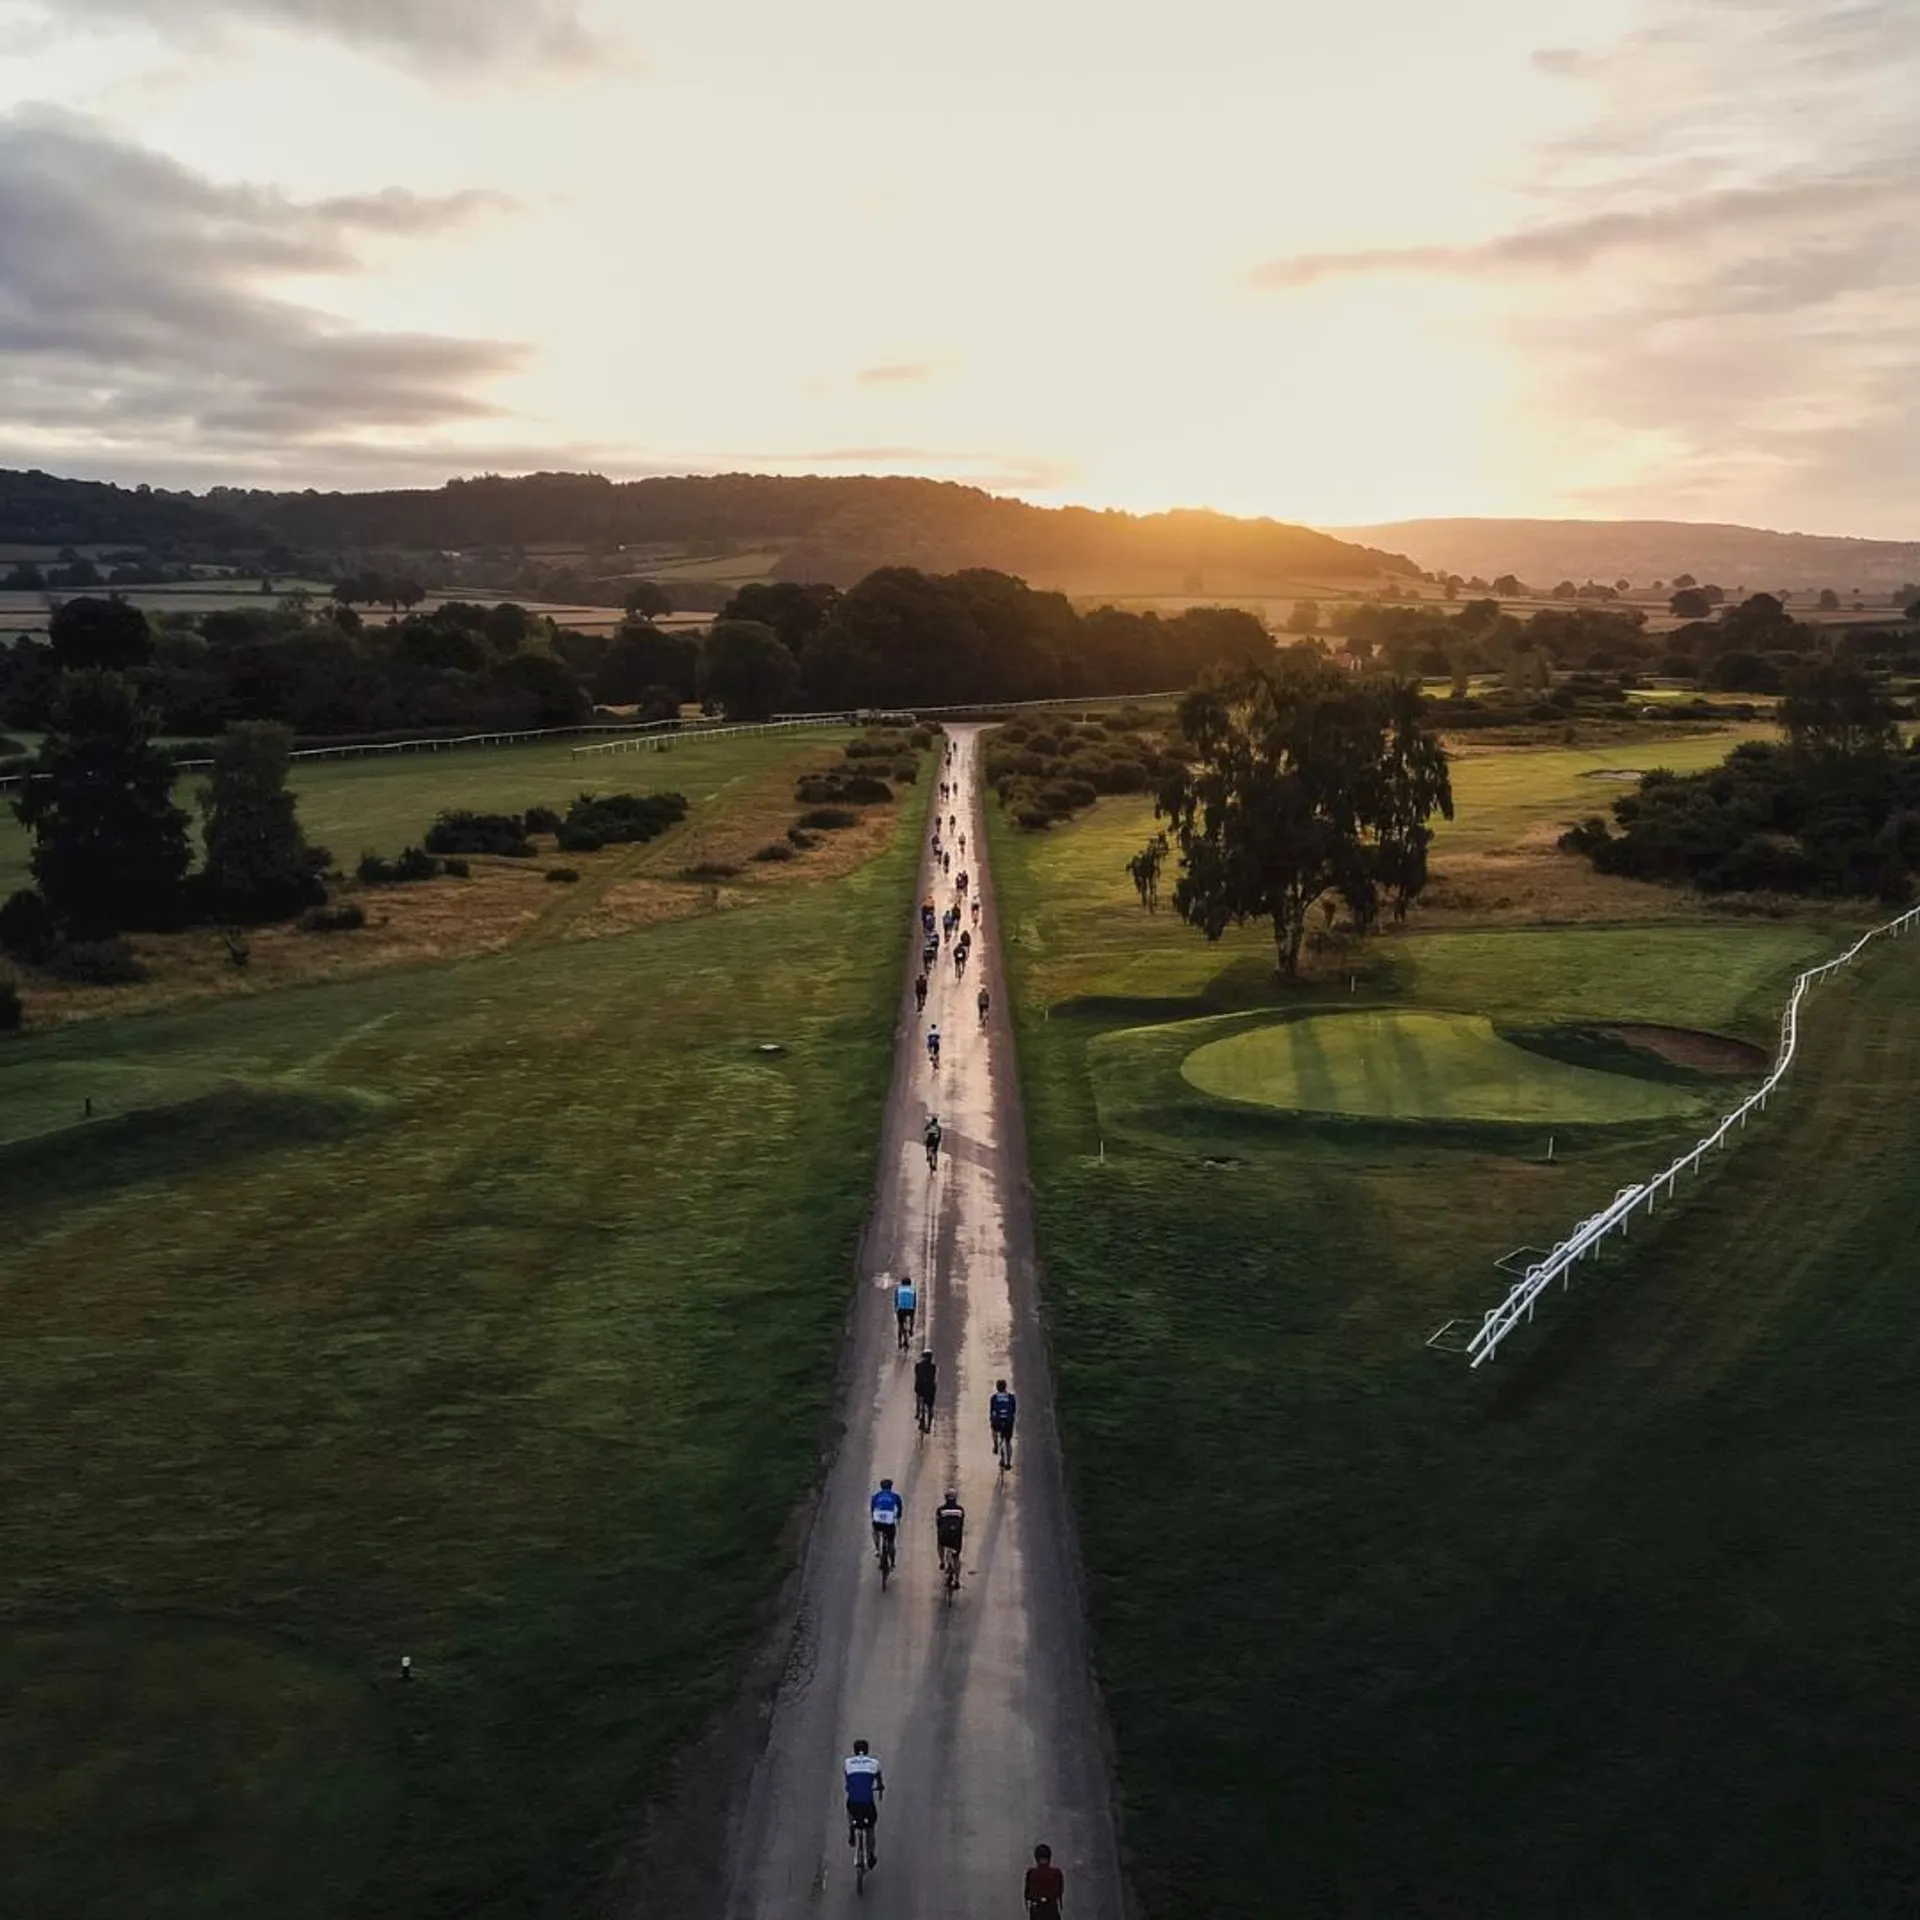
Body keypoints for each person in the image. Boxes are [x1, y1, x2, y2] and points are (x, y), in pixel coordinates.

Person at [844, 1739, 884, 1856]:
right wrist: (880, 1788)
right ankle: (870, 1854)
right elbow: (879, 1782)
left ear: (854, 1751)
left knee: (850, 1808)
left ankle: (851, 1828)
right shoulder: (874, 1763)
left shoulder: (848, 1762)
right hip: (867, 1802)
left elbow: (848, 1783)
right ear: (867, 1750)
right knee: (870, 1828)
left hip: (853, 1802)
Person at [1025, 1844, 1065, 1918]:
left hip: (1037, 1908)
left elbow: (1027, 1892)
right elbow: (1060, 1890)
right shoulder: (1056, 1873)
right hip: (1051, 1907)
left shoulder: (1031, 1873)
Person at [934, 1487, 966, 1578]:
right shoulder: (960, 1509)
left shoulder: (940, 1510)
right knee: (956, 1558)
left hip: (944, 1536)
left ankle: (942, 1562)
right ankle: (957, 1580)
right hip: (956, 1537)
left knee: (940, 1544)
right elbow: (962, 1522)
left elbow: (938, 1523)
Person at [870, 1478, 902, 1563]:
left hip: (877, 1518)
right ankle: (892, 1562)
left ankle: (877, 1548)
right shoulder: (895, 1496)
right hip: (889, 1520)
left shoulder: (876, 1496)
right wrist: (898, 1518)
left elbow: (872, 1509)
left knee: (875, 1531)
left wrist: (873, 1519)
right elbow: (899, 1509)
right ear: (891, 1487)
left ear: (881, 1487)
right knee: (891, 1541)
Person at [989, 1378, 1017, 1461]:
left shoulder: (994, 1398)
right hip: (1008, 1421)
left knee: (994, 1429)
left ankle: (996, 1445)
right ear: (1005, 1387)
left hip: (997, 1421)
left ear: (997, 1388)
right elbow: (1014, 1410)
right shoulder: (1011, 1397)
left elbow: (992, 1411)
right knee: (1008, 1442)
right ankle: (1008, 1462)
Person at [913, 1349, 937, 1428]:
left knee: (919, 1398)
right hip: (930, 1389)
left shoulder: (918, 1365)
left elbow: (917, 1375)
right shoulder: (933, 1367)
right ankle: (929, 1423)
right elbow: (932, 1378)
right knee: (930, 1406)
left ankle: (918, 1412)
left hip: (920, 1388)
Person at [895, 1273, 917, 1342]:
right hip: (910, 1309)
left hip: (901, 1309)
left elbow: (896, 1300)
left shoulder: (898, 1290)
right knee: (912, 1317)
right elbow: (914, 1301)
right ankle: (911, 1329)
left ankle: (900, 1341)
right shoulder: (912, 1290)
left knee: (900, 1324)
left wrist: (896, 1309)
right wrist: (913, 1308)